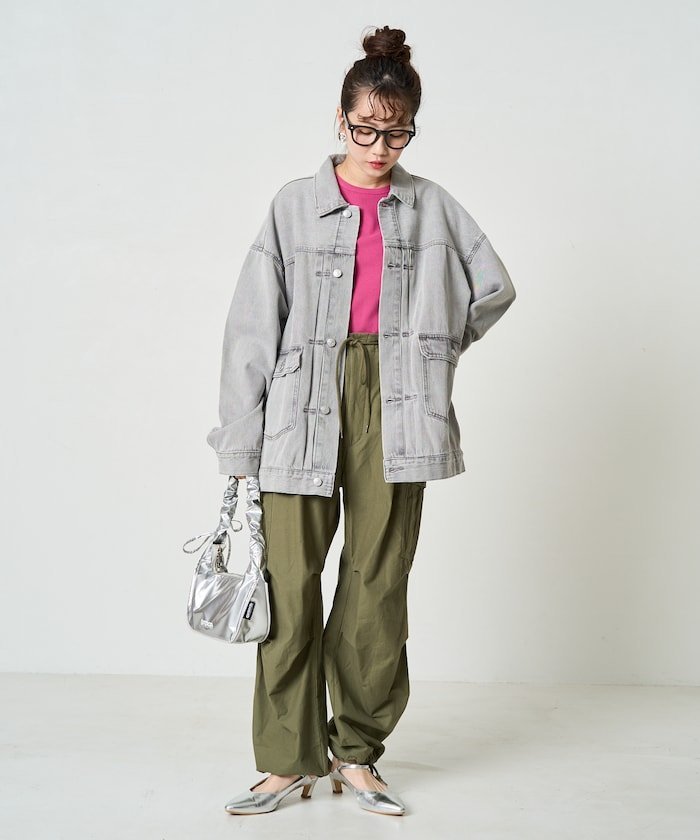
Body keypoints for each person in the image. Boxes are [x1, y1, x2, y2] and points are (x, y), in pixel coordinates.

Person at [208, 25, 516, 816]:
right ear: (339, 119)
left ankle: (357, 753)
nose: (380, 147)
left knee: (377, 584)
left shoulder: (432, 205)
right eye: (365, 129)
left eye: (397, 132)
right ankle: (287, 761)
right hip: (300, 403)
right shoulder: (294, 205)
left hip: (399, 403)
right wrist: (240, 439)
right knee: (289, 584)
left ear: (412, 126)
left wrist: (430, 351)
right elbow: (251, 327)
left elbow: (494, 287)